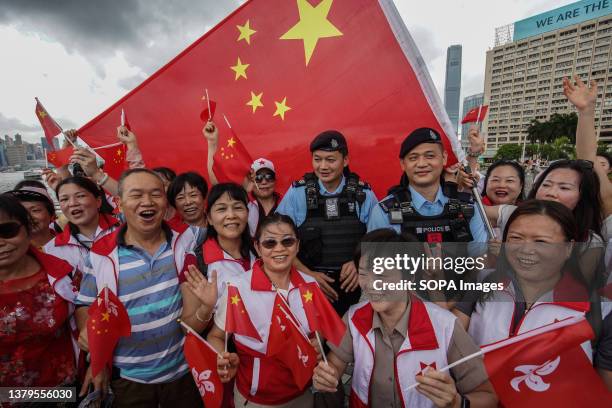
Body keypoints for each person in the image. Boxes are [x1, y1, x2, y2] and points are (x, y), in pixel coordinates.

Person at [312, 229, 497, 407]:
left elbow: (487, 397)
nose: (370, 284)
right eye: (363, 274)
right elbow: (335, 365)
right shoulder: (354, 317)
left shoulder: (445, 326)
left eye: (382, 275)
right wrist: (327, 376)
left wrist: (457, 402)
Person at [74, 168, 207, 407]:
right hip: (128, 381)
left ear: (165, 202)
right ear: (118, 202)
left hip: (185, 373)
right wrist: (91, 342)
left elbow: (226, 219)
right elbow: (84, 303)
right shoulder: (101, 254)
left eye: (156, 194)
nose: (147, 202)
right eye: (136, 195)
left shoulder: (184, 237)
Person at [207, 214, 321, 407]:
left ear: (297, 245)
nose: (279, 249)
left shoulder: (310, 285)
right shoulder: (238, 287)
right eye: (270, 243)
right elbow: (216, 337)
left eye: (287, 241)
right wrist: (222, 357)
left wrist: (317, 344)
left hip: (303, 393)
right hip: (255, 399)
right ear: (258, 247)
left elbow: (318, 331)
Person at [276, 130, 378, 316]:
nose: (323, 166)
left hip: (357, 285)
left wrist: (360, 262)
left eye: (330, 160)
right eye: (317, 159)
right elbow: (278, 239)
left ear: (345, 160)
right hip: (309, 285)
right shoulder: (297, 193)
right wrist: (308, 275)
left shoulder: (363, 194)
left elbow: (381, 238)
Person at [0, 194, 80, 389]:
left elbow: (84, 313)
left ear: (28, 229)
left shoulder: (63, 272)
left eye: (7, 231)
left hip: (64, 389)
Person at [368, 128, 488, 248]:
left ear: (444, 158)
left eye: (430, 156)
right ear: (403, 164)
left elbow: (479, 260)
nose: (421, 164)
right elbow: (376, 264)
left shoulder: (468, 208)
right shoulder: (384, 212)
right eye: (413, 158)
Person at [44, 177, 119, 277]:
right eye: (64, 199)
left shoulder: (124, 230)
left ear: (98, 201)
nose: (72, 203)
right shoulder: (52, 249)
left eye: (80, 196)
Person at [201, 183, 256, 295]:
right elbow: (190, 312)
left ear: (248, 214)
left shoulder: (262, 250)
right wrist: (206, 308)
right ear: (209, 218)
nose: (231, 215)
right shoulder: (198, 261)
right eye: (221, 209)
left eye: (238, 207)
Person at [8, 182, 59, 248]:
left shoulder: (72, 243)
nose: (28, 217)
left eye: (35, 210)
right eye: (22, 211)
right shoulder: (10, 250)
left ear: (51, 214)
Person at [247, 158, 282, 236]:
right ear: (251, 181)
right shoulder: (244, 204)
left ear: (275, 180)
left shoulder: (286, 202)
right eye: (258, 178)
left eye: (269, 177)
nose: (264, 182)